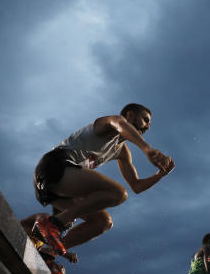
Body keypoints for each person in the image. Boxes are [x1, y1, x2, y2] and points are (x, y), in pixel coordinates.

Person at [32, 104, 174, 257]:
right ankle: (54, 224)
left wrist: (159, 175)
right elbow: (120, 124)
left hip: (60, 189)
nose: (147, 126)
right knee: (118, 193)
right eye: (145, 120)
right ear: (131, 115)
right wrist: (147, 149)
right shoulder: (109, 122)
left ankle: (49, 253)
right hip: (52, 167)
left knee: (102, 223)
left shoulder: (122, 152)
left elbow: (136, 186)